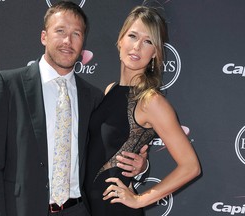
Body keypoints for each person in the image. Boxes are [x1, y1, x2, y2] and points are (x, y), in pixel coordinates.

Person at [0, 1, 148, 216]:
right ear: (44, 37)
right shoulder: (9, 85)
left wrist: (140, 167)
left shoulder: (94, 97)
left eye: (76, 34)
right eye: (60, 31)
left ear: (82, 43)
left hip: (78, 210)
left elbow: (105, 155)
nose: (68, 41)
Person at [84, 5, 201, 216]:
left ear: (155, 53)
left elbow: (191, 166)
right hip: (90, 207)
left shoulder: (151, 101)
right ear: (120, 41)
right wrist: (142, 167)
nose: (137, 46)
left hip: (117, 211)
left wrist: (140, 200)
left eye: (148, 42)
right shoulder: (112, 90)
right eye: (132, 36)